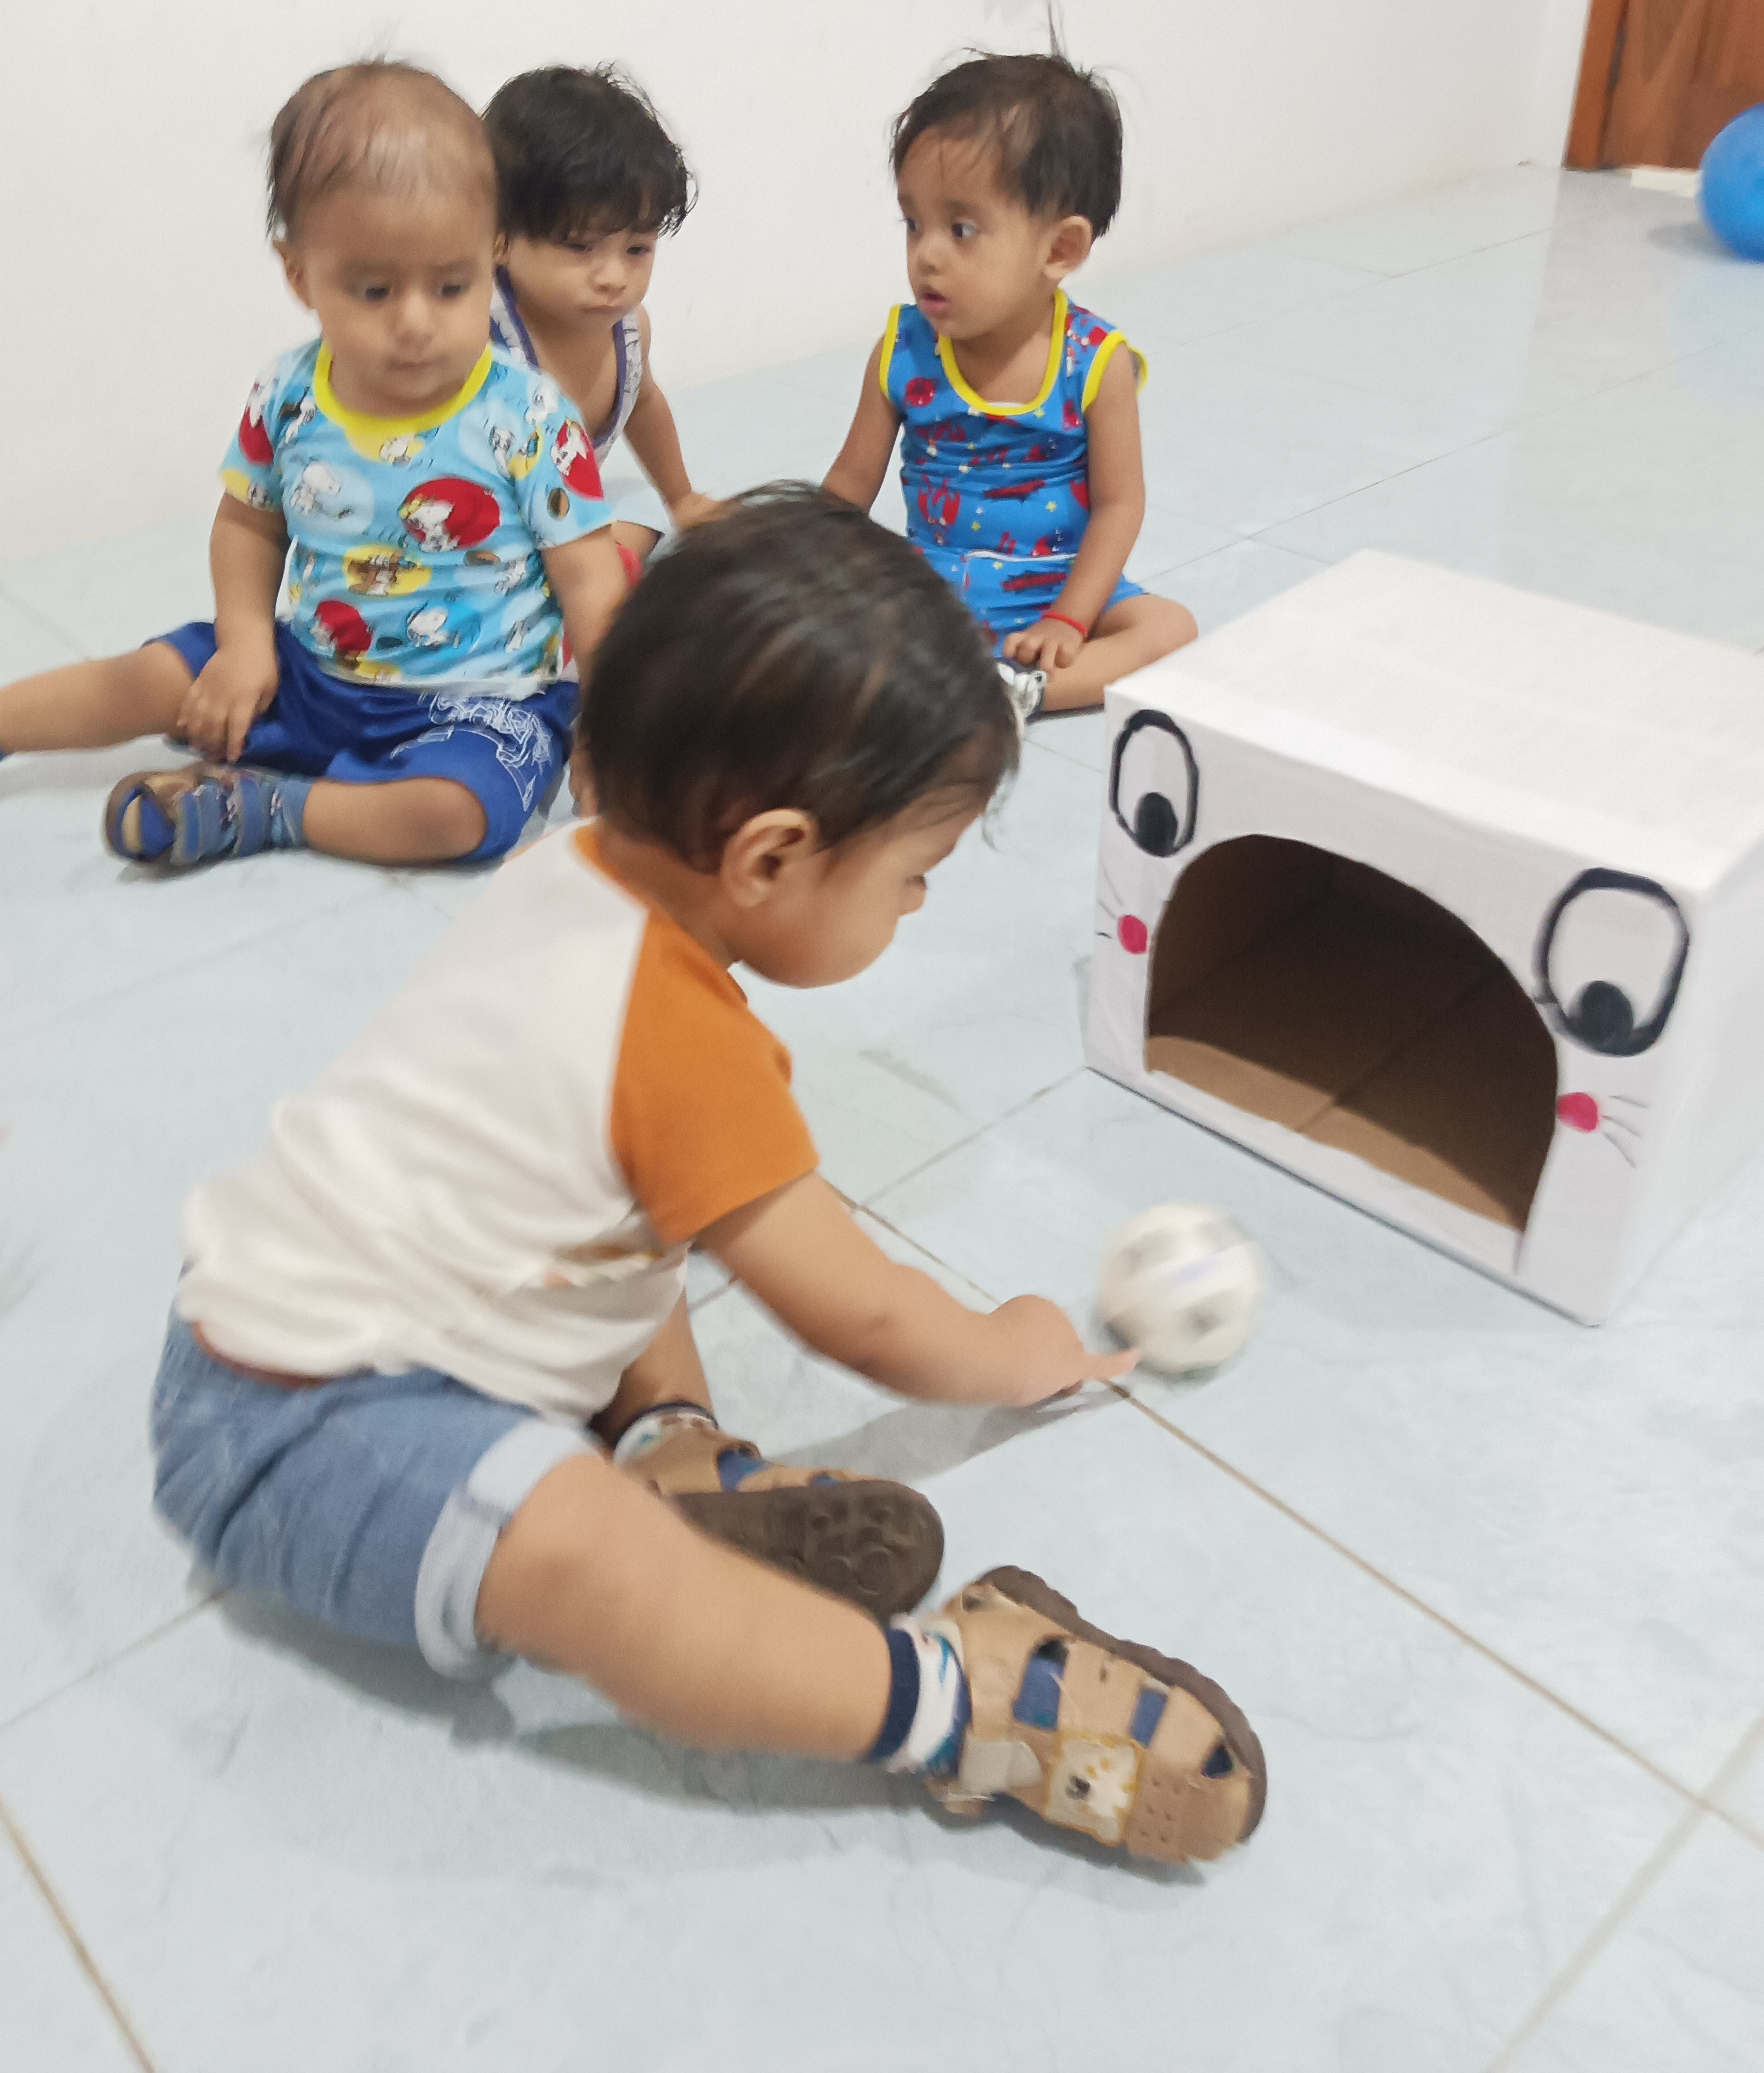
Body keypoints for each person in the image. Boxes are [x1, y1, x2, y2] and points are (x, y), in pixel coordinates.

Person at [149, 494, 1266, 1866]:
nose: (916, 903)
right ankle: (956, 1705)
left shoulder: (577, 867)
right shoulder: (672, 1042)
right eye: (913, 874)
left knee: (631, 1217)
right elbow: (866, 1316)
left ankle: (667, 1441)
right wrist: (1012, 1348)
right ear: (772, 856)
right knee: (598, 1568)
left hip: (280, 1316)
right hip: (292, 1438)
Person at [0, 60, 627, 871]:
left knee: (462, 815)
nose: (415, 322)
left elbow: (590, 582)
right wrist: (245, 645)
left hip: (477, 705)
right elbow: (249, 526)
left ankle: (267, 808)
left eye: (451, 287)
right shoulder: (290, 395)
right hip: (303, 672)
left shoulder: (531, 417)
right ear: (299, 273)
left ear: (494, 252)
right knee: (148, 676)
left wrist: (613, 725)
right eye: (374, 291)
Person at [824, 52, 1197, 729]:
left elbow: (1119, 504)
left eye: (961, 229)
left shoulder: (1096, 361)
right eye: (914, 224)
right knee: (829, 630)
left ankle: (1017, 691)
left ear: (1059, 250)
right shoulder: (904, 351)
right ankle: (943, 681)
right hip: (930, 587)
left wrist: (1070, 619)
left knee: (1170, 627)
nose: (926, 255)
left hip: (1062, 582)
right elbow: (849, 487)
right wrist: (798, 571)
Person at [484, 65, 718, 581]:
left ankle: (605, 567)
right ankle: (595, 574)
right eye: (580, 247)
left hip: (566, 518)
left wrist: (681, 497)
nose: (614, 278)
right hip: (491, 529)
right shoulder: (482, 338)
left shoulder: (631, 332)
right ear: (497, 236)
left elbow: (644, 403)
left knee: (643, 503)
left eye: (637, 249)